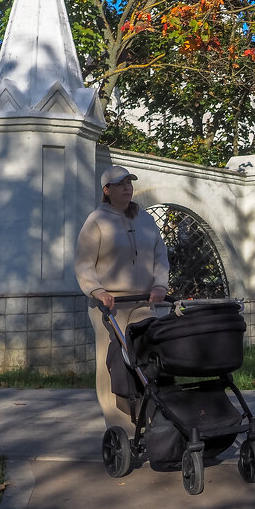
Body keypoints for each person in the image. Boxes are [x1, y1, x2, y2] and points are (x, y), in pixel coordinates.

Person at [75, 166, 169, 430]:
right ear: (107, 190)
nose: (127, 187)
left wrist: (160, 285)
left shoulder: (146, 219)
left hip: (142, 302)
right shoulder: (96, 220)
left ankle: (149, 420)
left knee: (146, 361)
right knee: (112, 364)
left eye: (129, 182)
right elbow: (83, 263)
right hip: (109, 306)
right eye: (120, 183)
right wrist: (98, 291)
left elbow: (160, 255)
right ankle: (119, 427)